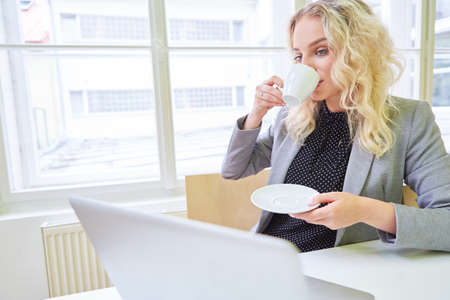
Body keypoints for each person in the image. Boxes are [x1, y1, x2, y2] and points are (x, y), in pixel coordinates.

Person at [221, 0, 450, 252]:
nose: (304, 66)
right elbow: (234, 169)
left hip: (337, 266)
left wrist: (366, 210)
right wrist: (256, 114)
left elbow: (446, 223)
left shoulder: (409, 119)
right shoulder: (292, 116)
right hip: (270, 254)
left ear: (359, 52)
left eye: (321, 51)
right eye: (298, 55)